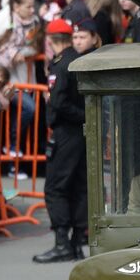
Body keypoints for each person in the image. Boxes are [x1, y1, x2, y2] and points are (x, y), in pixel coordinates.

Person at [33, 19, 86, 263]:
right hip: (81, 133)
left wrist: (76, 116)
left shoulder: (60, 64)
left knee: (55, 187)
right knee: (77, 186)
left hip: (66, 131)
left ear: (52, 40)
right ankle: (76, 243)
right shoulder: (79, 60)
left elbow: (59, 102)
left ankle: (62, 243)